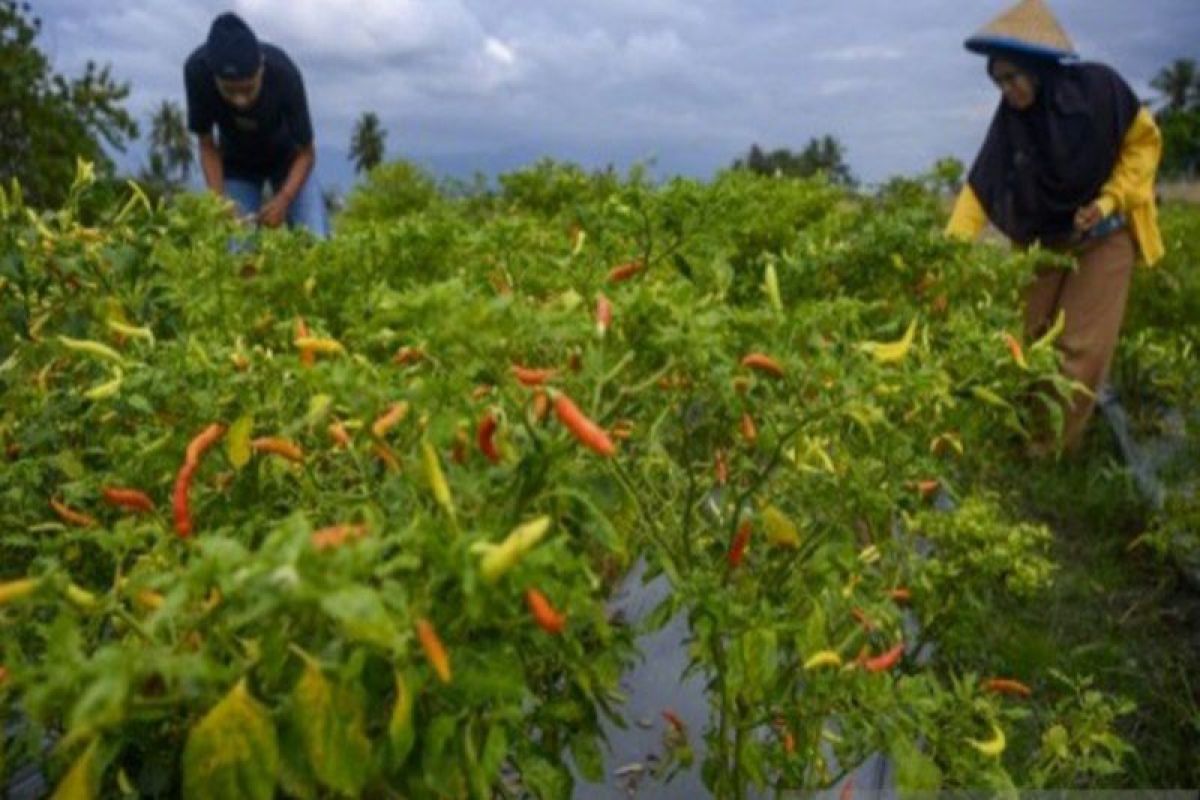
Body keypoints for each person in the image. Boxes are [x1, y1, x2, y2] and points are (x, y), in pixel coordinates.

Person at [945, 0, 1164, 454]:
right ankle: (1015, 434)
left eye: (1012, 78)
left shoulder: (1100, 90)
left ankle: (1047, 455)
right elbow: (979, 191)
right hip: (1044, 242)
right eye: (998, 80)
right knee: (1024, 339)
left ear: (1038, 68)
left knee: (1079, 350)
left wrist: (1107, 202)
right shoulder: (1011, 122)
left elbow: (1143, 146)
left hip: (1104, 238)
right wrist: (945, 256)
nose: (1007, 90)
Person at [184, 12, 328, 237]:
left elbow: (306, 153)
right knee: (237, 250)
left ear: (261, 68)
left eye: (248, 89)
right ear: (214, 78)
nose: (240, 100)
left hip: (289, 161)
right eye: (229, 91)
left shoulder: (284, 73)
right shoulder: (197, 73)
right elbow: (206, 145)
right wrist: (220, 202)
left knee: (315, 240)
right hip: (237, 164)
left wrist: (284, 198)